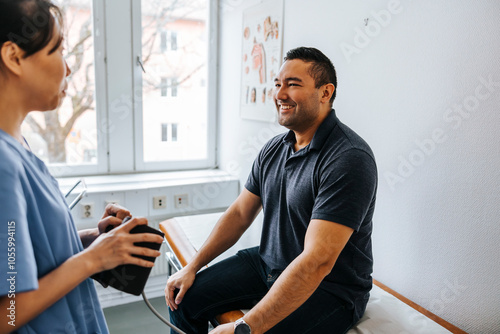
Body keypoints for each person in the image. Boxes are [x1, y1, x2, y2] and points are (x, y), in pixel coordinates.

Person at [165, 46, 378, 334]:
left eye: (293, 84)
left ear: (325, 93)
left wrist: (244, 328)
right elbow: (241, 212)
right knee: (184, 297)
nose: (279, 94)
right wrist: (192, 266)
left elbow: (317, 261)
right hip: (268, 264)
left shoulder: (348, 158)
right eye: (278, 84)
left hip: (331, 289)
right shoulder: (275, 149)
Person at [0, 1, 164, 333]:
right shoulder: (3, 165)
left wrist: (93, 241)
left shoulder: (20, 144)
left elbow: (24, 252)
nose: (68, 69)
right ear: (14, 57)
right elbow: (8, 313)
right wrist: (93, 260)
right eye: (58, 50)